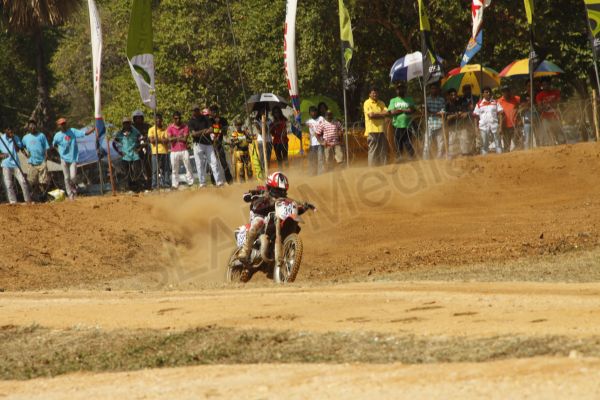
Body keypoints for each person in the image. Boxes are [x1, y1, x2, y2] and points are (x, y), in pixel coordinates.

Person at [52, 118, 95, 200]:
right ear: (58, 126)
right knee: (66, 177)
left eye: (64, 123)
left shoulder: (72, 131)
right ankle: (70, 195)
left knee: (73, 177)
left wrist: (93, 129)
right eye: (61, 124)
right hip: (63, 159)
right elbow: (53, 145)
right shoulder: (57, 135)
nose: (63, 125)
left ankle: (73, 188)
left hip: (73, 158)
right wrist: (58, 152)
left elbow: (85, 133)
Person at [189, 105, 224, 188]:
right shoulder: (191, 121)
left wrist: (203, 132)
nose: (195, 111)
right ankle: (202, 183)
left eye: (197, 110)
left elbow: (211, 129)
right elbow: (193, 134)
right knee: (199, 164)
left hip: (208, 143)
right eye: (194, 110)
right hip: (198, 144)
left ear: (199, 110)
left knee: (214, 162)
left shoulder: (205, 118)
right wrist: (204, 131)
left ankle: (219, 182)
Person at [0, 127, 31, 204]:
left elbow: (18, 149)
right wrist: (1, 155)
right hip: (6, 164)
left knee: (23, 182)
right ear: (5, 130)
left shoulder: (16, 138)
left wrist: (13, 139)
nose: (10, 131)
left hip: (16, 163)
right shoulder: (1, 139)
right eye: (8, 129)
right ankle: (13, 202)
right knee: (8, 184)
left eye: (11, 129)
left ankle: (27, 200)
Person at [21, 119, 50, 201]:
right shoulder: (25, 137)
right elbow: (21, 147)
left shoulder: (41, 135)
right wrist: (26, 154)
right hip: (32, 163)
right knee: (31, 181)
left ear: (36, 126)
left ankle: (43, 197)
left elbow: (46, 147)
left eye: (33, 126)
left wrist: (46, 155)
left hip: (42, 161)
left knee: (43, 181)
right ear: (28, 128)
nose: (32, 128)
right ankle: (34, 197)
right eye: (30, 126)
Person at [388, 83, 416, 162]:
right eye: (398, 89)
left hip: (408, 125)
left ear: (405, 90)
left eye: (402, 88)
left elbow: (412, 110)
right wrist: (405, 110)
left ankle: (412, 157)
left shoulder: (409, 99)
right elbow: (392, 112)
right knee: (398, 142)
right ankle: (399, 158)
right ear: (396, 91)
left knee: (408, 142)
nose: (400, 90)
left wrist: (400, 110)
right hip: (396, 125)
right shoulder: (393, 100)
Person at [473, 87, 504, 155]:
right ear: (483, 94)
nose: (488, 93)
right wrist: (476, 128)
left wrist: (500, 126)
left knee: (498, 143)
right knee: (484, 144)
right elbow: (475, 116)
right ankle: (485, 158)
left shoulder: (495, 102)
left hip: (494, 125)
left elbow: (501, 114)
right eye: (486, 92)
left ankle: (500, 157)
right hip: (483, 126)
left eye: (489, 92)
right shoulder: (479, 104)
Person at [167, 111, 194, 189]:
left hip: (184, 149)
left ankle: (190, 182)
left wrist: (174, 138)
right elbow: (170, 139)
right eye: (176, 118)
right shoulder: (170, 127)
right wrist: (179, 137)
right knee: (174, 168)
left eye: (179, 118)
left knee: (188, 166)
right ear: (173, 119)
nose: (178, 120)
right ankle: (175, 184)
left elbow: (185, 139)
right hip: (174, 151)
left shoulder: (185, 126)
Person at [536, 77, 566, 145]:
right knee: (546, 132)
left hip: (555, 116)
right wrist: (545, 107)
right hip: (545, 117)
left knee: (559, 132)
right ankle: (549, 145)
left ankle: (562, 143)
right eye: (544, 85)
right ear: (542, 86)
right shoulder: (539, 95)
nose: (546, 86)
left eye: (547, 84)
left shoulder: (556, 92)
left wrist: (551, 104)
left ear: (550, 84)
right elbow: (540, 107)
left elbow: (559, 102)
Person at [363, 86, 389, 166]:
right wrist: (382, 114)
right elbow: (371, 116)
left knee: (383, 150)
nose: (375, 94)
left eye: (376, 93)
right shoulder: (367, 103)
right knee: (373, 151)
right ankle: (372, 168)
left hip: (382, 130)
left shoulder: (381, 103)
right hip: (372, 130)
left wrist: (376, 114)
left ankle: (384, 168)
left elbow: (387, 113)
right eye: (373, 93)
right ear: (369, 94)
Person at [114, 117, 142, 191]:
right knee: (127, 172)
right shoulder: (120, 133)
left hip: (134, 154)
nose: (126, 125)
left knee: (137, 170)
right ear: (123, 124)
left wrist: (139, 148)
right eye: (124, 123)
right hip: (125, 155)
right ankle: (130, 187)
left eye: (128, 123)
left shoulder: (135, 131)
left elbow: (141, 139)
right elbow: (114, 143)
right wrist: (119, 152)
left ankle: (137, 186)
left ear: (130, 124)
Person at [444, 88, 473, 157]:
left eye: (455, 94)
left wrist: (466, 113)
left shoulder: (461, 102)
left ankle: (465, 158)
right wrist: (455, 115)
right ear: (449, 96)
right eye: (452, 95)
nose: (453, 96)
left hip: (462, 126)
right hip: (452, 128)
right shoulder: (446, 105)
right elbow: (446, 117)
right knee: (452, 146)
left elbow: (468, 110)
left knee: (465, 145)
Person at [208, 105, 233, 185]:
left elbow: (225, 132)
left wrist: (219, 125)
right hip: (211, 146)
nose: (214, 113)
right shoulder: (209, 121)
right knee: (213, 164)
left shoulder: (223, 120)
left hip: (219, 144)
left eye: (215, 111)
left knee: (224, 163)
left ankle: (230, 181)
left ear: (217, 112)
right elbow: (209, 132)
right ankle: (213, 182)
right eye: (212, 112)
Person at [147, 113, 171, 189]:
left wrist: (158, 139)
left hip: (164, 152)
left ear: (162, 120)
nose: (158, 121)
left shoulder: (165, 129)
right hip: (155, 152)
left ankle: (166, 184)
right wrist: (161, 140)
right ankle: (154, 186)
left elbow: (167, 141)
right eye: (156, 119)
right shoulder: (151, 129)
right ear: (154, 120)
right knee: (155, 170)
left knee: (166, 169)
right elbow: (152, 141)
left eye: (160, 119)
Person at [423, 83, 446, 159]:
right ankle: (425, 158)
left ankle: (439, 158)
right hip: (430, 123)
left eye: (435, 88)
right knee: (427, 142)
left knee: (440, 142)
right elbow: (425, 111)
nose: (434, 90)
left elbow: (443, 112)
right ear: (430, 90)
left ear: (438, 90)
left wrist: (432, 113)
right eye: (432, 88)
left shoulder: (441, 100)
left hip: (439, 123)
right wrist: (426, 110)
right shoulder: (426, 99)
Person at [132, 110, 152, 190]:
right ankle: (139, 185)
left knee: (148, 166)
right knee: (137, 168)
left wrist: (145, 140)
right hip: (136, 150)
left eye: (140, 118)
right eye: (136, 118)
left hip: (147, 149)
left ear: (142, 118)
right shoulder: (131, 127)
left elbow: (150, 137)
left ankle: (150, 184)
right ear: (134, 119)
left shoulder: (147, 126)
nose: (138, 119)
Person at [498, 86, 521, 152]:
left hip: (515, 125)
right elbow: (498, 114)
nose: (506, 92)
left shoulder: (516, 99)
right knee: (506, 145)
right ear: (502, 92)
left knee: (518, 143)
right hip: (505, 126)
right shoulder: (499, 101)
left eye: (507, 91)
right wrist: (500, 127)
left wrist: (519, 115)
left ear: (509, 91)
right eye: (504, 91)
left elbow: (522, 105)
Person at [305, 106, 324, 175]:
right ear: (309, 113)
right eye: (312, 111)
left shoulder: (321, 118)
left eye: (314, 111)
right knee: (313, 159)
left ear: (317, 112)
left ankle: (320, 173)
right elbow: (302, 124)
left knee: (320, 158)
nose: (313, 113)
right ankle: (313, 172)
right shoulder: (308, 121)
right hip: (313, 143)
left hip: (320, 142)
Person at [253, 109, 272, 173]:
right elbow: (261, 132)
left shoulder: (269, 120)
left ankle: (268, 173)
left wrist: (265, 122)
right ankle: (263, 173)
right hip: (261, 142)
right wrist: (264, 122)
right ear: (259, 112)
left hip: (269, 141)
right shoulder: (256, 121)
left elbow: (270, 130)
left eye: (265, 111)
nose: (264, 112)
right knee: (262, 159)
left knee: (268, 159)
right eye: (262, 111)